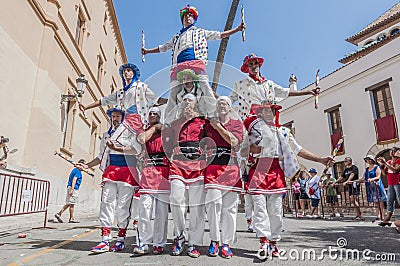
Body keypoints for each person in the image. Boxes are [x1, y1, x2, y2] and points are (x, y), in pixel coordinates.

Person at [241, 102, 333, 259]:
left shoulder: (283, 132)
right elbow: (241, 150)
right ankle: (263, 241)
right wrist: (252, 149)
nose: (269, 113)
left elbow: (299, 150)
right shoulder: (252, 131)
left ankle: (273, 242)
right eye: (266, 111)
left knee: (276, 211)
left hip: (276, 172)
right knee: (260, 208)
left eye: (272, 111)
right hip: (258, 170)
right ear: (261, 114)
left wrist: (321, 159)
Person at [142, 5, 244, 119]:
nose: (187, 17)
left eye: (190, 16)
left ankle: (213, 116)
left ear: (194, 19)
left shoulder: (200, 32)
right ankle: (168, 122)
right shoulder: (176, 37)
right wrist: (147, 51)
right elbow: (163, 47)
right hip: (178, 66)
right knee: (173, 93)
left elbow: (219, 35)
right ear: (182, 20)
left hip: (196, 63)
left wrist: (237, 29)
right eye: (185, 16)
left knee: (205, 87)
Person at [84, 107, 142, 253]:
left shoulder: (130, 133)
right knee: (107, 203)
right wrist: (85, 166)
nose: (115, 118)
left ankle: (121, 239)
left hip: (127, 171)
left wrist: (116, 146)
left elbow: (136, 150)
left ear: (123, 118)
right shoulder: (106, 135)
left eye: (118, 116)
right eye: (113, 116)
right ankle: (105, 240)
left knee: (123, 206)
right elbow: (100, 156)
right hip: (111, 171)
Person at [163, 93, 208, 258]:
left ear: (195, 104)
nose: (186, 103)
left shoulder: (204, 122)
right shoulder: (175, 123)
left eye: (190, 100)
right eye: (184, 101)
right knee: (176, 201)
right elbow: (167, 143)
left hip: (197, 165)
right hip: (178, 165)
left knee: (196, 206)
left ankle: (193, 242)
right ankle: (179, 237)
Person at [204, 96, 243, 259]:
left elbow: (234, 142)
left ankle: (226, 243)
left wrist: (218, 127)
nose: (222, 106)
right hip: (213, 168)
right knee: (214, 205)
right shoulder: (208, 125)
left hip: (231, 170)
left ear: (230, 107)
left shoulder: (236, 124)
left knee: (230, 209)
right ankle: (214, 240)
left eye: (225, 103)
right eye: (219, 103)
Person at [230, 53, 318, 120]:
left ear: (259, 65)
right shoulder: (241, 84)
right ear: (247, 68)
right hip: (250, 121)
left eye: (255, 63)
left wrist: (309, 92)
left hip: (268, 120)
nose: (254, 66)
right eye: (250, 64)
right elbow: (229, 100)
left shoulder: (269, 84)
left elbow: (286, 92)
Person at [79, 63, 165, 131]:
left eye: (128, 70)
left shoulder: (141, 87)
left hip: (138, 121)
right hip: (124, 121)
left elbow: (156, 99)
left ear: (133, 74)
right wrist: (86, 107)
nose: (126, 73)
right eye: (124, 72)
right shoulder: (120, 93)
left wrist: (171, 101)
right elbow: (103, 101)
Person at [133, 107, 170, 255]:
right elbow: (142, 139)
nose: (153, 115)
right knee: (144, 211)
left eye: (156, 114)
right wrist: (154, 127)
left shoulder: (166, 131)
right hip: (148, 173)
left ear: (160, 116)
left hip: (164, 174)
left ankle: (159, 243)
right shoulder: (144, 130)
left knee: (161, 213)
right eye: (150, 114)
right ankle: (143, 242)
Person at [357, 155, 387, 222]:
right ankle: (378, 215)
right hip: (370, 187)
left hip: (377, 186)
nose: (368, 160)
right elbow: (363, 178)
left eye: (369, 159)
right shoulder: (367, 169)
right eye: (367, 159)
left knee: (380, 201)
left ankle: (382, 215)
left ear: (372, 160)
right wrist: (356, 181)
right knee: (375, 202)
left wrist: (372, 179)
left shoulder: (377, 167)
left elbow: (378, 177)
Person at [55, 159, 86, 223]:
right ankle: (71, 218)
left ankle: (59, 214)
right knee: (72, 204)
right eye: (84, 166)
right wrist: (72, 189)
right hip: (74, 188)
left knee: (69, 203)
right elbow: (74, 180)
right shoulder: (78, 172)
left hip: (71, 187)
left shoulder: (74, 170)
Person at [377, 147, 400, 226]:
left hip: (398, 183)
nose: (391, 152)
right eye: (391, 150)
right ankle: (387, 219)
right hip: (391, 184)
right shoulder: (389, 161)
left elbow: (395, 170)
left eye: (393, 150)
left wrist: (385, 163)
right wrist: (381, 165)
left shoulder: (398, 160)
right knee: (389, 201)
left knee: (399, 200)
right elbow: (384, 173)